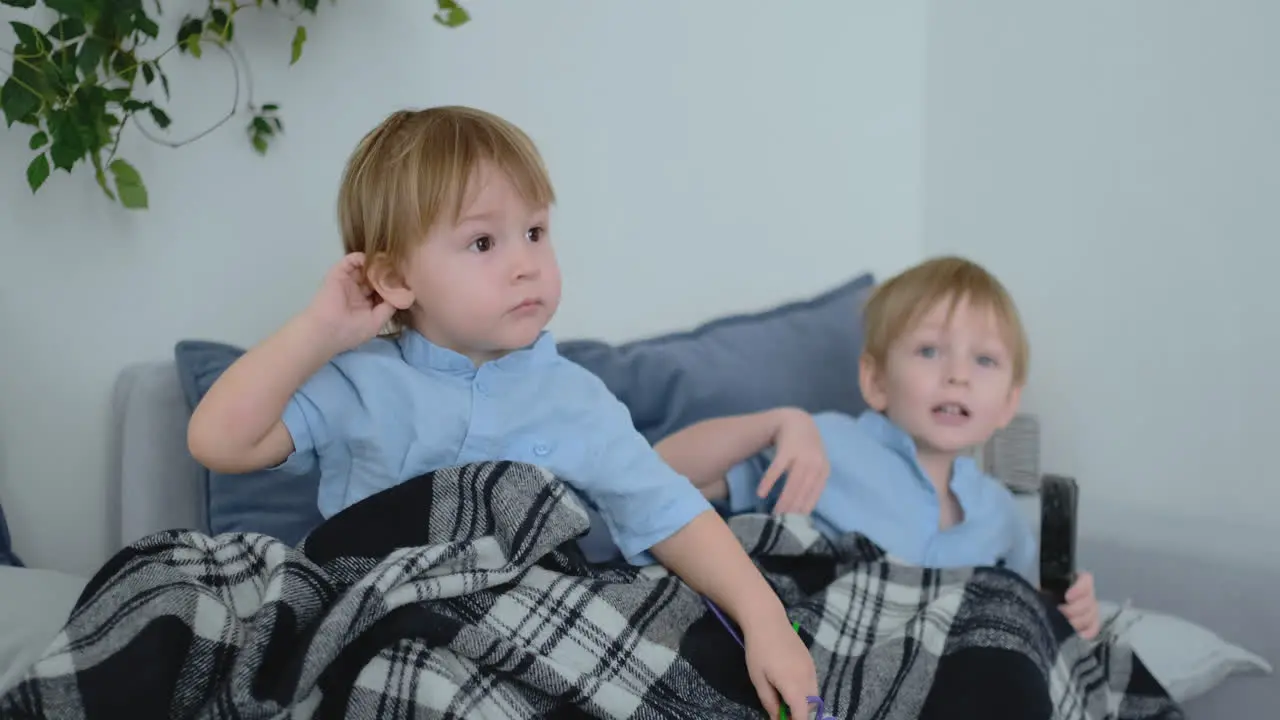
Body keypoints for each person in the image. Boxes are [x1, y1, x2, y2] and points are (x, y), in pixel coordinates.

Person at [186, 105, 817, 716]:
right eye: (483, 241)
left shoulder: (575, 399)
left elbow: (670, 513)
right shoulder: (355, 380)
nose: (525, 265)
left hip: (522, 630)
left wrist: (765, 622)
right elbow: (220, 443)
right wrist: (318, 331)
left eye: (536, 232)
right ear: (396, 281)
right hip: (381, 619)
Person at [655, 256, 1102, 639]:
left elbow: (1023, 621)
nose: (958, 375)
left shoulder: (1001, 515)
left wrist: (1069, 610)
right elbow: (659, 471)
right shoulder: (820, 441)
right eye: (929, 350)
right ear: (876, 381)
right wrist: (775, 425)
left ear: (1008, 404)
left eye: (984, 360)